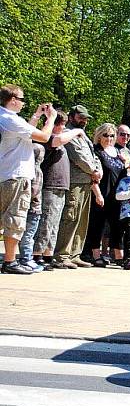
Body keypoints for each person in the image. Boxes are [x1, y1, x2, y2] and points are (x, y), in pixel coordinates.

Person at [0, 84, 56, 274]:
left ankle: (10, 260)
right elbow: (44, 136)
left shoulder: (7, 119)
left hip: (7, 174)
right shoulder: (9, 118)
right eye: (22, 99)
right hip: (16, 176)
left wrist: (37, 116)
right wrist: (51, 119)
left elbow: (24, 133)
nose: (23, 103)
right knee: (15, 219)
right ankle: (9, 262)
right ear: (13, 100)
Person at [31, 111, 85, 270]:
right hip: (50, 186)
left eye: (63, 124)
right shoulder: (46, 138)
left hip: (61, 187)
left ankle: (48, 255)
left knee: (54, 225)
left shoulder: (61, 139)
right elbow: (58, 140)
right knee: (46, 222)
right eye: (58, 124)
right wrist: (77, 131)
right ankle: (37, 254)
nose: (61, 128)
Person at [53, 105, 102, 269]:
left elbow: (93, 155)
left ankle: (75, 254)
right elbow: (77, 156)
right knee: (70, 217)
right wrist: (93, 171)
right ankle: (61, 255)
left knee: (81, 220)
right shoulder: (68, 132)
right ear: (72, 116)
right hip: (74, 182)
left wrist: (98, 170)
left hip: (87, 182)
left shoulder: (83, 134)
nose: (84, 120)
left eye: (86, 118)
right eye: (81, 117)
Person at [85, 123, 127, 267]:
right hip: (102, 193)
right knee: (98, 225)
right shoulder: (96, 151)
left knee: (117, 226)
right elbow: (92, 175)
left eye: (111, 135)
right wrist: (97, 194)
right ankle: (96, 255)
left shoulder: (117, 152)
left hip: (116, 196)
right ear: (99, 136)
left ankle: (119, 256)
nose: (108, 138)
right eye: (105, 135)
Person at [17, 144, 45, 272]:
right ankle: (26, 258)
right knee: (28, 236)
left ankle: (25, 257)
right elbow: (34, 190)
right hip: (33, 208)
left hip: (28, 207)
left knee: (24, 235)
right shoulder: (36, 171)